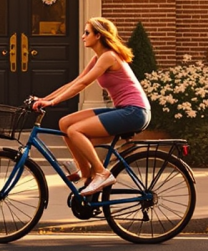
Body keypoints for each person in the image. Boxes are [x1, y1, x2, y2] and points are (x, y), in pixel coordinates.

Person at [31, 16, 150, 196]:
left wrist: (53, 102)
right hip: (123, 110)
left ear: (98, 36)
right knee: (65, 123)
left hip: (134, 112)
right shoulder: (98, 58)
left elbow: (83, 84)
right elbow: (75, 82)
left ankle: (102, 173)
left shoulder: (109, 57)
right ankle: (86, 175)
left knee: (75, 131)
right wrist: (44, 99)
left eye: (87, 33)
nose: (82, 36)